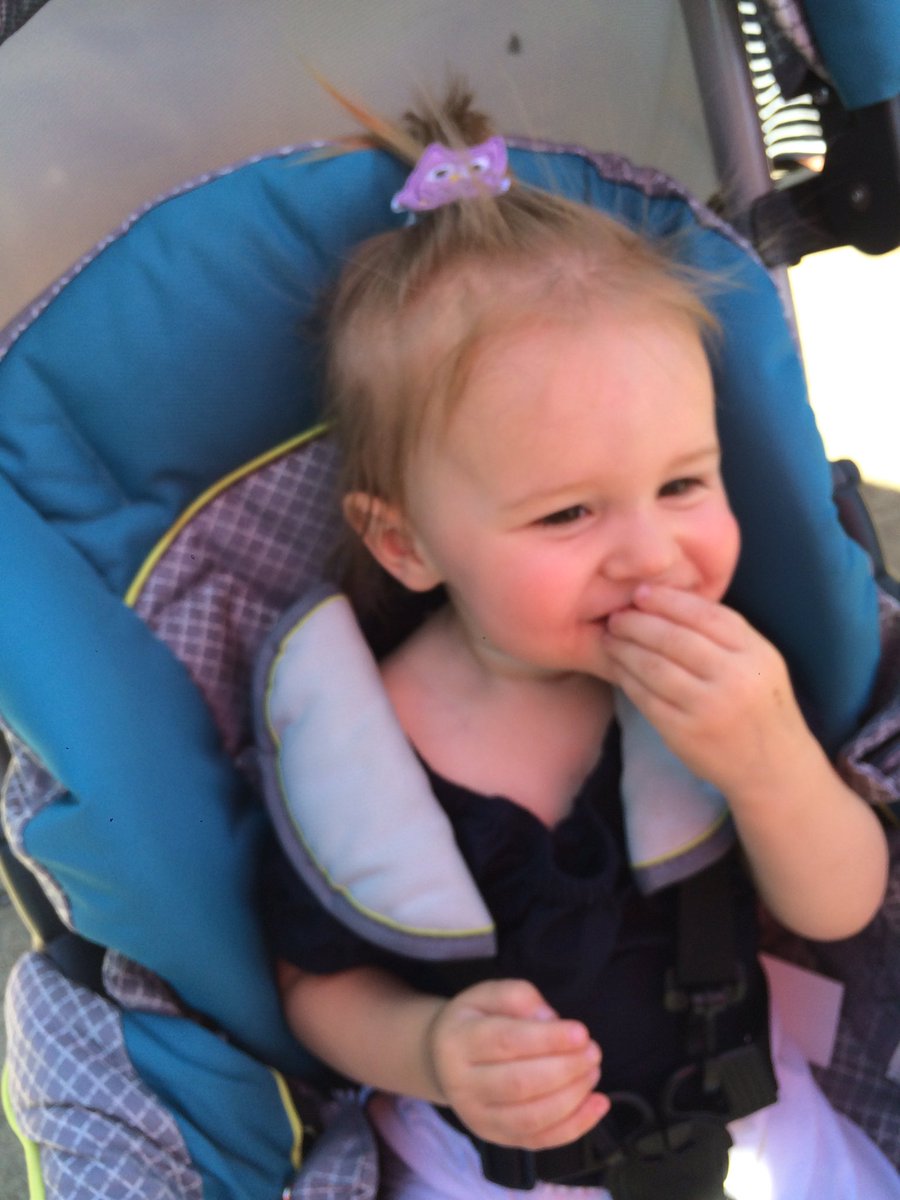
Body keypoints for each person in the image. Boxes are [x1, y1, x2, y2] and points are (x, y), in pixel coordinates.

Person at [262, 83, 897, 1199]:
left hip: (755, 1113)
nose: (652, 554)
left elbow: (840, 906)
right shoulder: (357, 741)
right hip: (486, 1160)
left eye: (683, 484)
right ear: (406, 543)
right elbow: (313, 983)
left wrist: (770, 762)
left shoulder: (727, 672)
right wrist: (427, 1050)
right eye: (568, 514)